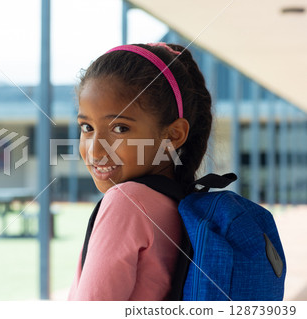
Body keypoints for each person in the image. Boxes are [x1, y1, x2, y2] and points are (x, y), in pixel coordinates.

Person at [67, 43, 213, 301]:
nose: (96, 151)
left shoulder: (127, 201)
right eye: (87, 127)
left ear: (173, 135)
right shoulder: (178, 201)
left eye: (120, 128)